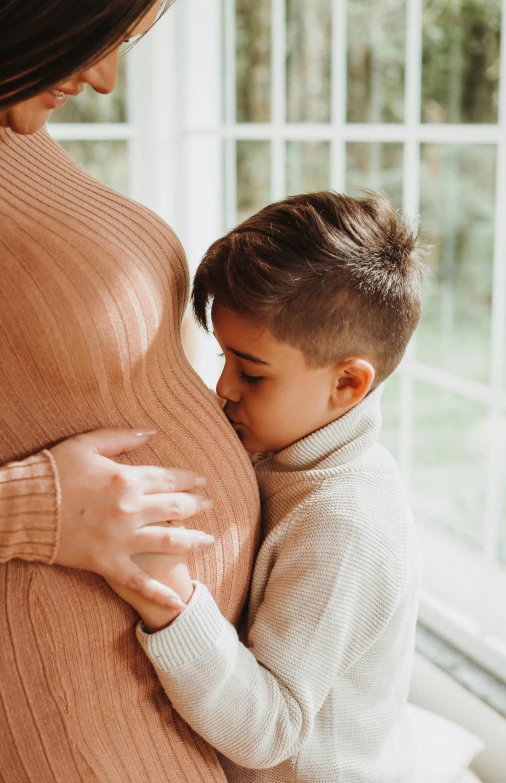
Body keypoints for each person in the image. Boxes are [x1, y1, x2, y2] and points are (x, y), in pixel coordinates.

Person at [0, 1, 259, 780]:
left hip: (189, 674)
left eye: (125, 41)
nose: (105, 79)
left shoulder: (22, 129)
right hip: (67, 713)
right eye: (93, 35)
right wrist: (31, 506)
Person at [115, 191, 425, 782]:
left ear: (347, 384)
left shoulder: (344, 521)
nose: (222, 388)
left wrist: (167, 591)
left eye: (252, 372)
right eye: (222, 359)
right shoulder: (286, 450)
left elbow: (271, 733)